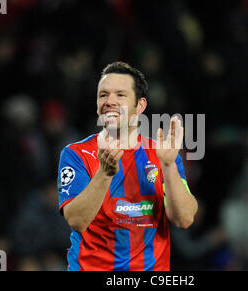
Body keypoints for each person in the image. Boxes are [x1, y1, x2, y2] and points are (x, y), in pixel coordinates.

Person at [57, 61, 198, 271]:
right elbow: (76, 220)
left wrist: (168, 165)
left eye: (120, 95)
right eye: (103, 95)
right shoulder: (76, 154)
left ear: (140, 105)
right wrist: (104, 174)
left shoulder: (161, 153)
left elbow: (184, 219)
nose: (109, 101)